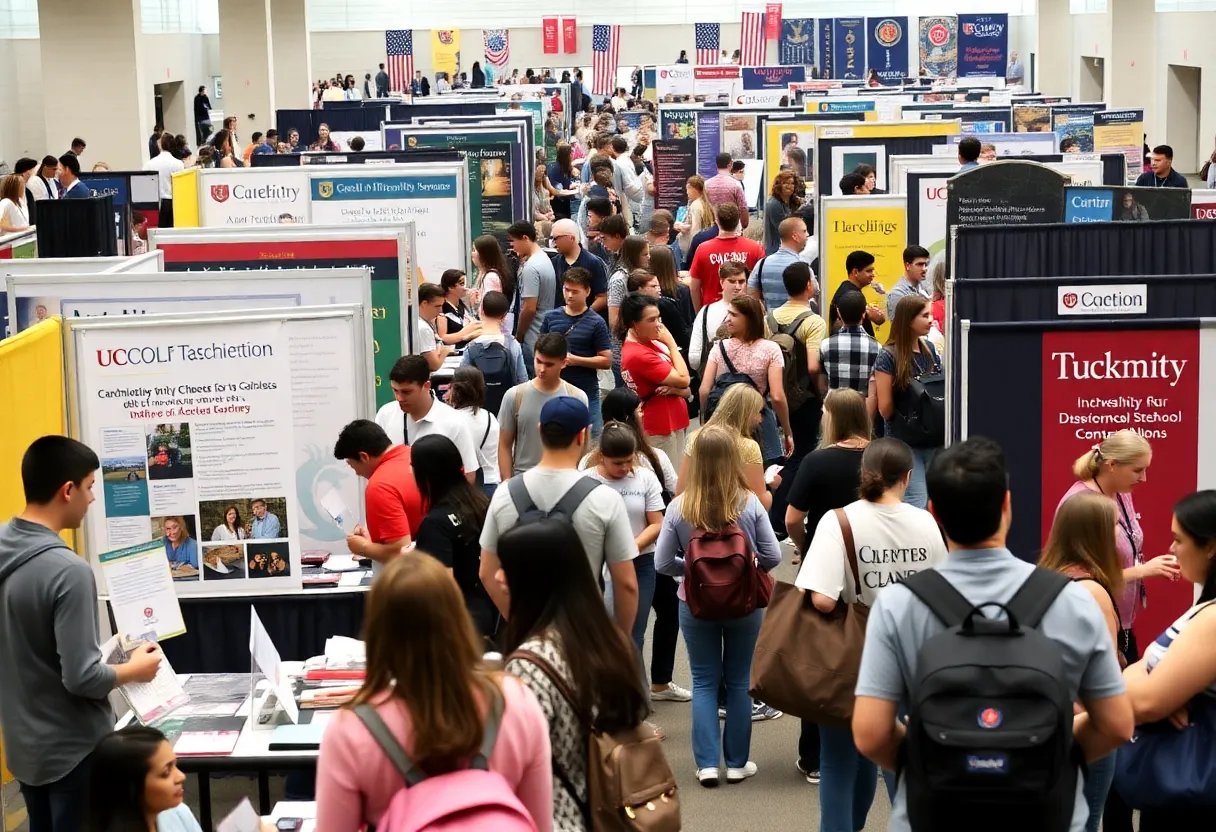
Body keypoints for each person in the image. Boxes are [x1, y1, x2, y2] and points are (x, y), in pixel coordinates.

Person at [852, 437, 1134, 832]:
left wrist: (933, 758)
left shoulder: (899, 605)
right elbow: (1117, 725)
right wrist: (1048, 751)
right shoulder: (1074, 602)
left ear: (934, 512)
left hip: (934, 814)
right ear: (1007, 505)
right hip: (1045, 813)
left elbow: (870, 733)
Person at [316, 553, 553, 832]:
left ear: (379, 633)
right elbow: (539, 824)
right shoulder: (516, 703)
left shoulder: (352, 732)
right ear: (459, 619)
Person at [0, 437, 163, 832]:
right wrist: (136, 669)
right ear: (67, 490)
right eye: (90, 487)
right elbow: (83, 678)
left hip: (24, 748)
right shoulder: (68, 571)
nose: (92, 499)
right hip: (74, 752)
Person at [799, 438, 946, 830]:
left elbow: (823, 601)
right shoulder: (926, 522)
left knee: (839, 763)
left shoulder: (838, 521)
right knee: (902, 760)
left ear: (863, 473)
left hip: (850, 660)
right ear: (908, 477)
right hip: (911, 658)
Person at [500, 518, 649, 831]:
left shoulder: (530, 664)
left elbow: (514, 762)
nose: (499, 578)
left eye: (507, 569)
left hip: (558, 817)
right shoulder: (609, 641)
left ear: (533, 580)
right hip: (615, 809)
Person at [655, 426, 782, 786]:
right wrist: (747, 570)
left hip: (694, 604)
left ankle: (708, 763)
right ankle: (738, 763)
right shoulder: (749, 501)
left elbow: (662, 563)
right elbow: (772, 554)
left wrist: (692, 574)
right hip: (744, 603)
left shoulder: (680, 506)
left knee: (704, 681)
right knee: (741, 681)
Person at [481, 396, 640, 633]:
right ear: (583, 435)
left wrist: (522, 625)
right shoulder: (605, 499)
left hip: (524, 641)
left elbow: (486, 572)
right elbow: (626, 584)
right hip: (584, 635)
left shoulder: (505, 494)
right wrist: (618, 642)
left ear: (540, 430)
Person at [1120, 489, 1216, 830]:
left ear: (1210, 546)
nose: (1172, 549)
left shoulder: (1212, 620)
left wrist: (1152, 690)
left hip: (1193, 800)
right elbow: (1141, 674)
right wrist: (1152, 684)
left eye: (1179, 540)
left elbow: (1146, 702)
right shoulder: (1205, 611)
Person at [1039, 490, 1125, 832]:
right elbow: (1104, 677)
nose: (1122, 532)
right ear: (1097, 533)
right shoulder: (1093, 592)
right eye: (1116, 525)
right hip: (1087, 725)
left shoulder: (1044, 578)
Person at [1058, 431, 1177, 673]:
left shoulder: (1122, 493)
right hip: (1093, 620)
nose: (1143, 478)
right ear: (1112, 465)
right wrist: (1142, 571)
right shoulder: (1079, 503)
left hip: (1121, 620)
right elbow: (1077, 579)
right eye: (1137, 470)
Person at [581, 423, 665, 685]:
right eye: (618, 463)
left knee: (634, 634)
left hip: (640, 564)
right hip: (599, 566)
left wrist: (631, 547)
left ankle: (635, 698)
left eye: (629, 461)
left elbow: (657, 523)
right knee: (603, 633)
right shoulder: (586, 479)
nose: (625, 468)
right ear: (602, 456)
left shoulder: (645, 478)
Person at [410, 434, 499, 640]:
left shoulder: (435, 524)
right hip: (491, 610)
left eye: (412, 465)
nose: (409, 471)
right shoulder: (481, 503)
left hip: (458, 626)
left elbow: (442, 588)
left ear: (426, 474)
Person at [698, 295, 793, 463]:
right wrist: (787, 431)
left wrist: (706, 423)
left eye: (734, 315)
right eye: (729, 314)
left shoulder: (718, 348)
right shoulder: (771, 349)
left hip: (724, 422)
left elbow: (704, 390)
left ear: (750, 318)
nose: (728, 319)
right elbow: (777, 397)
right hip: (759, 420)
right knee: (765, 472)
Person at [873, 294, 942, 508]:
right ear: (908, 319)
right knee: (917, 501)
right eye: (924, 315)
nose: (931, 320)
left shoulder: (929, 349)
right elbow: (884, 409)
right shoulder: (889, 355)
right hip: (907, 442)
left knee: (925, 500)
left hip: (927, 437)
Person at [374, 355, 479, 480]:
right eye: (395, 390)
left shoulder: (454, 422)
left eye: (406, 392)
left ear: (427, 386)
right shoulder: (386, 414)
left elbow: (468, 474)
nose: (399, 398)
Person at [498, 333, 587, 478]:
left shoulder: (577, 397)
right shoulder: (514, 396)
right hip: (523, 479)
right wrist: (507, 483)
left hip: (563, 479)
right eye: (538, 361)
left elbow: (582, 446)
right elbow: (504, 444)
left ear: (564, 363)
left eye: (549, 364)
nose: (542, 369)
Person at [83, 726, 206, 832]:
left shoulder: (178, 812)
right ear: (131, 787)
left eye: (175, 765)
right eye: (166, 773)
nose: (181, 776)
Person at [333, 420, 422, 564]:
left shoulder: (380, 486)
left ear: (364, 457)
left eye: (351, 464)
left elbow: (401, 552)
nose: (356, 473)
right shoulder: (414, 454)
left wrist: (363, 548)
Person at [618, 292, 692, 462]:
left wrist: (678, 389)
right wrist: (672, 344)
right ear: (634, 324)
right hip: (659, 426)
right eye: (651, 320)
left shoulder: (652, 341)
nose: (659, 325)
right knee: (669, 481)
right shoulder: (638, 354)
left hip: (674, 419)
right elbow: (684, 379)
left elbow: (685, 387)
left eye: (659, 318)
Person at [541, 266, 612, 440]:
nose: (570, 295)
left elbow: (606, 360)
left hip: (586, 391)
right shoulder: (551, 317)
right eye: (566, 290)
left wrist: (575, 360)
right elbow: (540, 350)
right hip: (554, 390)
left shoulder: (596, 322)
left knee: (593, 440)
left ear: (587, 291)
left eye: (575, 291)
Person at [679, 384, 770, 510]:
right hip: (733, 520)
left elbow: (681, 492)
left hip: (696, 517)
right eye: (758, 412)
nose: (760, 419)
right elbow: (760, 503)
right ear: (746, 413)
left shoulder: (694, 438)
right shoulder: (749, 447)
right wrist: (771, 492)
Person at [767, 261, 828, 449]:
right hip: (804, 398)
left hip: (775, 393)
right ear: (809, 285)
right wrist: (822, 393)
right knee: (804, 449)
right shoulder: (814, 322)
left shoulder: (769, 317)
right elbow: (812, 366)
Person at [688, 204, 764, 310]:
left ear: (717, 221)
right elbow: (761, 283)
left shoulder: (703, 249)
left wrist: (700, 313)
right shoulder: (755, 248)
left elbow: (694, 287)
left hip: (712, 310)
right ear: (738, 221)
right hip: (745, 310)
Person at [820, 290, 882, 415]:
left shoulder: (826, 345)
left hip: (833, 411)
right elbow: (874, 388)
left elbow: (822, 382)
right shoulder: (877, 347)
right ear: (864, 313)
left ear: (839, 313)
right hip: (862, 412)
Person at [446, 366, 503, 498]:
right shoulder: (490, 417)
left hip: (464, 488)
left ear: (457, 390)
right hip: (491, 484)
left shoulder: (451, 419)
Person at [508, 221, 557, 363]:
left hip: (532, 332)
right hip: (544, 328)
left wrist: (519, 335)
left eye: (514, 241)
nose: (513, 246)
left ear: (525, 238)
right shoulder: (544, 259)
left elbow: (529, 308)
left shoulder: (531, 267)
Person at [689, 262, 749, 371]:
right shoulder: (706, 312)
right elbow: (694, 358)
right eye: (731, 281)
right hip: (714, 378)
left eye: (741, 282)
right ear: (721, 282)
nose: (737, 286)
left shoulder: (754, 311)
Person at [750, 215, 809, 312]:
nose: (807, 234)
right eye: (804, 231)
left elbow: (752, 293)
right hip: (796, 322)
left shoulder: (762, 264)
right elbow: (813, 290)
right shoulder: (802, 265)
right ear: (795, 236)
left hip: (770, 322)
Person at [548, 217, 608, 313]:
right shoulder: (554, 262)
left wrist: (584, 316)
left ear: (571, 238)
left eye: (556, 238)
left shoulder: (593, 262)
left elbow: (602, 297)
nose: (553, 243)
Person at [828, 250, 885, 338]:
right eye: (869, 271)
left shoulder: (847, 290)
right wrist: (872, 314)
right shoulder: (849, 295)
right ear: (855, 272)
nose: (873, 275)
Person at [471, 234, 517, 331]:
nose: (472, 254)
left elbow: (493, 306)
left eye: (474, 250)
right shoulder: (489, 273)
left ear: (484, 254)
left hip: (490, 328)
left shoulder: (491, 277)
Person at [144, 133, 183, 228]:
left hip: (156, 201)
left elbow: (145, 181)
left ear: (160, 144)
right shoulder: (179, 164)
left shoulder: (150, 164)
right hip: (173, 201)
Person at [436, 269, 481, 347]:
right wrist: (464, 333)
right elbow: (443, 338)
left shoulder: (461, 305)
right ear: (450, 287)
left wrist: (476, 304)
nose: (465, 288)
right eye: (462, 284)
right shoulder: (442, 308)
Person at [704, 152, 750, 229]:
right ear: (730, 164)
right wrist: (743, 226)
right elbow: (743, 207)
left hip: (712, 226)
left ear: (716, 166)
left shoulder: (706, 184)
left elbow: (704, 206)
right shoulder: (736, 184)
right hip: (732, 228)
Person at [884, 245, 931, 319]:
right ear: (907, 266)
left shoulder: (924, 287)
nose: (924, 269)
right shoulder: (897, 294)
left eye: (926, 264)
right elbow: (898, 326)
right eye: (920, 264)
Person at [415, 282, 453, 371]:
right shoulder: (423, 327)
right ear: (424, 303)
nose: (440, 310)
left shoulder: (426, 322)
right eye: (437, 306)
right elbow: (434, 365)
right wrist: (445, 351)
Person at [763, 172, 801, 256]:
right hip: (776, 251)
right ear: (778, 185)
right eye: (786, 183)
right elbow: (783, 229)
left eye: (792, 183)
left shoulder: (791, 203)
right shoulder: (774, 204)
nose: (790, 186)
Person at [676, 175, 715, 255]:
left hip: (690, 248)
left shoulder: (696, 205)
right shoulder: (705, 203)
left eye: (688, 188)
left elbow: (695, 231)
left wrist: (692, 252)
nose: (687, 192)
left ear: (695, 189)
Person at [546, 145, 580, 221]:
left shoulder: (564, 167)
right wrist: (577, 191)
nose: (572, 157)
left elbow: (566, 184)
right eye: (571, 154)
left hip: (565, 204)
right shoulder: (555, 169)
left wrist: (577, 185)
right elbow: (558, 191)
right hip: (557, 206)